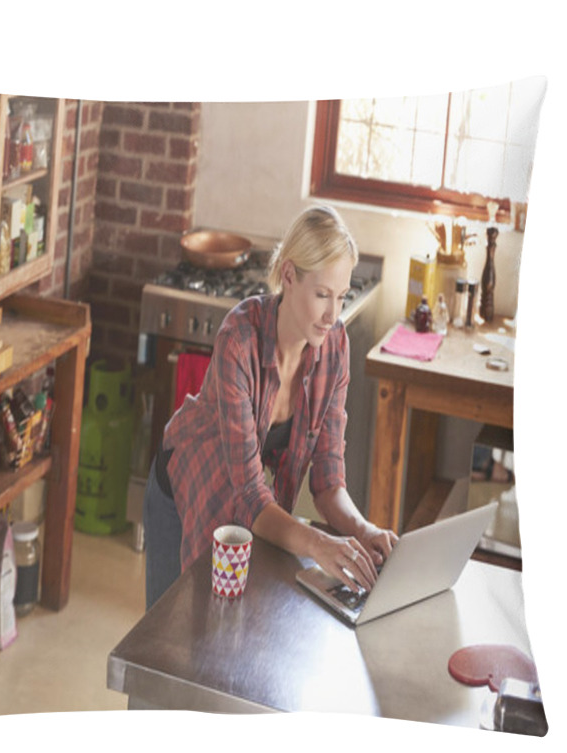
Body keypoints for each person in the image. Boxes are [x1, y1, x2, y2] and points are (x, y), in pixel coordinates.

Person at [143, 205, 397, 609]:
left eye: (341, 296)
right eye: (322, 295)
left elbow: (329, 482)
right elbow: (250, 495)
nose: (333, 315)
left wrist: (363, 530)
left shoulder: (334, 348)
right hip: (184, 489)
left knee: (229, 628)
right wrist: (319, 544)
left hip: (250, 510)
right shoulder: (239, 338)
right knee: (168, 637)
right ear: (291, 276)